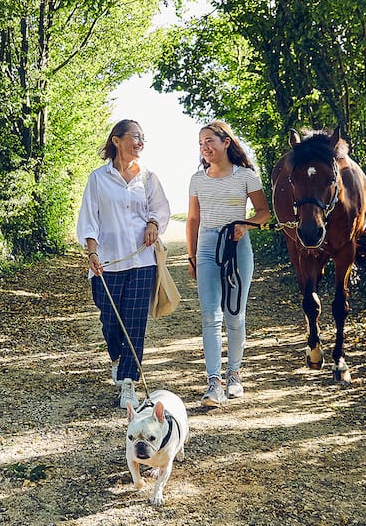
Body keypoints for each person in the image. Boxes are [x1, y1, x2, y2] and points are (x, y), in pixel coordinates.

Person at [77, 119, 171, 409]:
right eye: (135, 137)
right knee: (110, 320)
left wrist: (154, 223)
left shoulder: (149, 176)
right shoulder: (98, 178)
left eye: (144, 137)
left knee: (134, 322)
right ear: (117, 140)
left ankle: (129, 383)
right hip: (106, 262)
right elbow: (89, 218)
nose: (141, 142)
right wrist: (91, 253)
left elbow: (160, 208)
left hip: (143, 261)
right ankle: (118, 358)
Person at [185, 120, 271, 407]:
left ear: (226, 143)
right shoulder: (198, 179)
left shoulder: (245, 175)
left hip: (237, 247)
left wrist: (245, 225)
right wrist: (192, 256)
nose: (204, 147)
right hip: (208, 245)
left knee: (235, 314)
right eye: (200, 143)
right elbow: (194, 220)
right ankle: (213, 382)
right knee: (210, 315)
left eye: (209, 140)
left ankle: (234, 374)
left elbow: (263, 213)